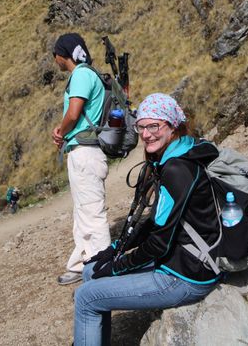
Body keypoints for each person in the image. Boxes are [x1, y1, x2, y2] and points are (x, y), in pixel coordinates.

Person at [73, 93, 221, 346]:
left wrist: (116, 267)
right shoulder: (181, 153)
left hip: (185, 276)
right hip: (180, 261)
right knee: (89, 272)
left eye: (154, 126)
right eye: (141, 126)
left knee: (86, 297)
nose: (146, 134)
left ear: (173, 126)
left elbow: (158, 244)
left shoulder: (177, 170)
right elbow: (155, 223)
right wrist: (113, 251)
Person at [52, 32, 110, 286]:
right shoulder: (87, 74)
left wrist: (60, 132)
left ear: (62, 55)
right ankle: (81, 264)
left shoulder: (81, 75)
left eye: (55, 54)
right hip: (83, 150)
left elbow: (74, 113)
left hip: (85, 152)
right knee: (83, 211)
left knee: (92, 212)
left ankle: (102, 269)